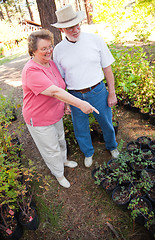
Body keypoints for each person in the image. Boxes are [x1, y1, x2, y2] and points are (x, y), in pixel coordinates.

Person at [22, 29, 99, 188]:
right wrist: (80, 103)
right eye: (44, 48)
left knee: (60, 139)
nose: (49, 50)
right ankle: (58, 173)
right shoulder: (31, 70)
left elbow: (60, 85)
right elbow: (55, 91)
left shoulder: (50, 63)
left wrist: (65, 104)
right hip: (38, 118)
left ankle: (63, 161)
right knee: (51, 149)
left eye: (50, 46)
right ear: (33, 50)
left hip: (54, 113)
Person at [52, 4, 119, 168]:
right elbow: (60, 79)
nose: (75, 30)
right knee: (80, 127)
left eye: (76, 25)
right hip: (74, 95)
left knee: (106, 122)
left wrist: (112, 93)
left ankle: (112, 146)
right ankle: (88, 152)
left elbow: (107, 68)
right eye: (69, 28)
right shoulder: (59, 50)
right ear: (62, 30)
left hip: (97, 91)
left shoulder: (95, 40)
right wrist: (65, 101)